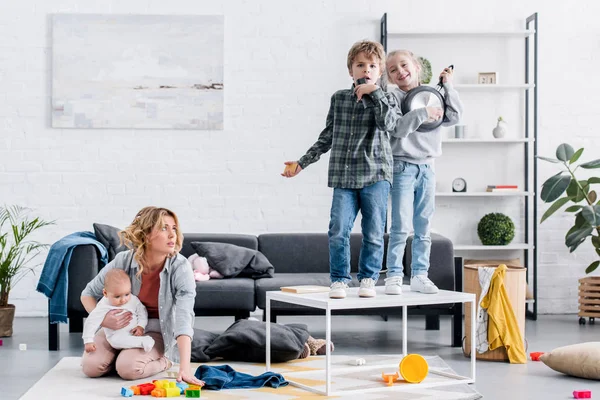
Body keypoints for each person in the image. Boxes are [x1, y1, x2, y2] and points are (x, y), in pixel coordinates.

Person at [282, 40, 400, 299]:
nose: (366, 69)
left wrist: (374, 94)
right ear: (351, 71)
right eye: (360, 65)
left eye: (372, 65)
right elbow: (328, 136)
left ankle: (368, 278)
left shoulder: (387, 97)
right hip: (344, 176)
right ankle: (340, 280)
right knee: (338, 230)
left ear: (379, 71)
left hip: (376, 175)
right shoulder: (339, 99)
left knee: (374, 231)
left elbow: (390, 125)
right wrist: (302, 162)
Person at [80, 206, 204, 387]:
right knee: (91, 367)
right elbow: (88, 294)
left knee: (128, 369)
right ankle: (118, 356)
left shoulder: (181, 267)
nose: (172, 235)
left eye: (174, 228)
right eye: (164, 228)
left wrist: (184, 366)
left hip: (155, 330)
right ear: (146, 234)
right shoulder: (124, 260)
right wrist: (103, 320)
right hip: (117, 328)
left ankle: (165, 360)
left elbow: (184, 318)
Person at [384, 50, 463, 295]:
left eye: (404, 65)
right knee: (400, 225)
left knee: (423, 226)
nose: (400, 72)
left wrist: (448, 87)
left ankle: (420, 274)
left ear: (416, 66)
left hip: (428, 167)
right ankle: (394, 275)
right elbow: (398, 130)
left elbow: (454, 116)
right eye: (393, 70)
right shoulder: (392, 98)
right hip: (401, 167)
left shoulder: (433, 95)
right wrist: (423, 113)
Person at [82, 269, 155, 353]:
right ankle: (143, 342)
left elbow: (142, 311)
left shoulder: (132, 299)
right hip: (117, 335)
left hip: (136, 328)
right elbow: (91, 321)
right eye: (117, 297)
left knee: (154, 324)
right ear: (105, 293)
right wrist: (88, 340)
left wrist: (141, 326)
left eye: (127, 294)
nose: (123, 300)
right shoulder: (103, 306)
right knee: (115, 342)